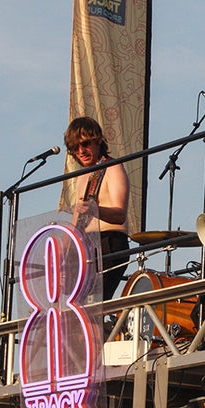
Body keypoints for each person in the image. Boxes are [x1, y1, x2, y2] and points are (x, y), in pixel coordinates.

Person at [64, 116, 130, 300]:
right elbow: (76, 222)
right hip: (85, 248)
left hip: (110, 244)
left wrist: (95, 210)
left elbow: (120, 215)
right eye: (75, 148)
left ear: (98, 140)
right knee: (75, 309)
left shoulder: (112, 167)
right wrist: (59, 252)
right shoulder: (82, 177)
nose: (81, 151)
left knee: (95, 309)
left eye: (85, 144)